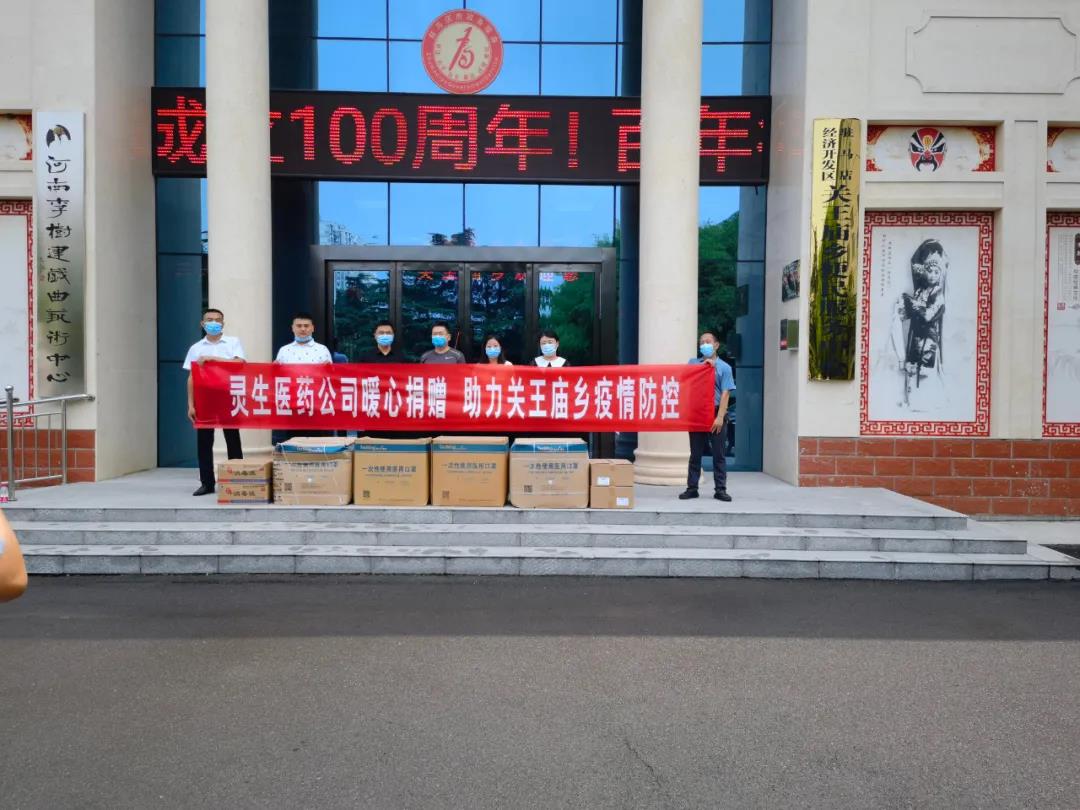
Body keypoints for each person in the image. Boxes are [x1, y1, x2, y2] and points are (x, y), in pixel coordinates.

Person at [184, 308, 245, 496]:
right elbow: (191, 377)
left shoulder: (233, 342)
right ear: (202, 324)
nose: (214, 323)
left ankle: (237, 480)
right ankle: (207, 483)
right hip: (204, 399)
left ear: (223, 324)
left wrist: (213, 359)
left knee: (232, 439)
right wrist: (191, 404)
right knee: (204, 442)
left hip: (228, 396)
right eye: (210, 319)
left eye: (218, 320)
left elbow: (240, 363)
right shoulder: (196, 348)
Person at [679, 331, 735, 502]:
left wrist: (720, 417)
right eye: (702, 342)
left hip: (716, 413)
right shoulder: (693, 363)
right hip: (697, 413)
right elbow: (684, 381)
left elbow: (726, 393)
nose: (704, 344)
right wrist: (702, 368)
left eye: (708, 341)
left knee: (719, 454)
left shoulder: (724, 367)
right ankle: (692, 488)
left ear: (716, 345)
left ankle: (720, 489)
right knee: (695, 454)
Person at [274, 312, 333, 444]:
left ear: (313, 328)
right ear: (292, 328)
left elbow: (329, 378)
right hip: (292, 404)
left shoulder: (322, 349)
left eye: (306, 326)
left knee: (316, 442)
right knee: (293, 441)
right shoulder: (284, 350)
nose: (303, 329)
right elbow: (278, 378)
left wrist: (328, 370)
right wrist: (274, 369)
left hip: (315, 404)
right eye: (299, 326)